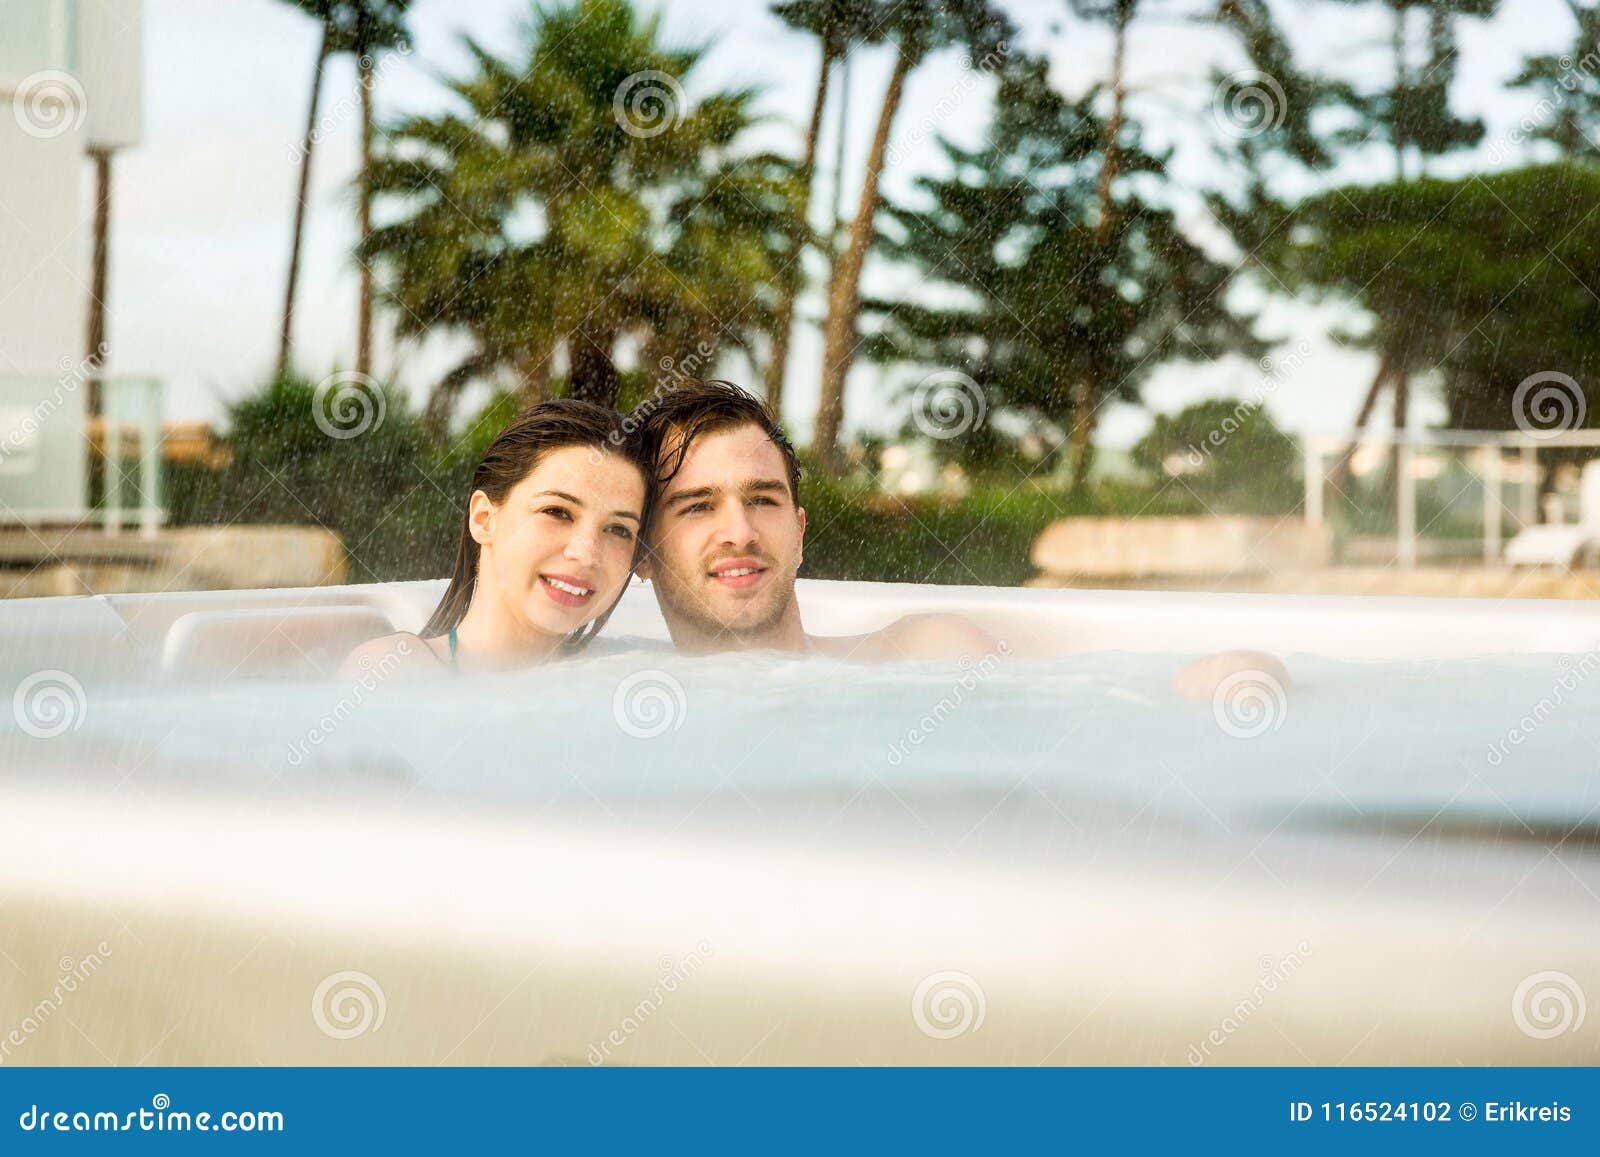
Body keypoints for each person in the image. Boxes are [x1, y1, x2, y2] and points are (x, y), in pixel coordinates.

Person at [629, 379, 1289, 696]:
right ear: (643, 558)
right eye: (697, 507)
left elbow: (1103, 712)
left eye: (762, 499)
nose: (739, 532)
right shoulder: (613, 691)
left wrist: (1237, 676)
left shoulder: (923, 652)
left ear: (799, 533)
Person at [340, 400, 651, 678]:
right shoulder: (395, 670)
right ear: (484, 519)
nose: (586, 553)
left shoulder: (629, 675)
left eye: (618, 529)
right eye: (557, 511)